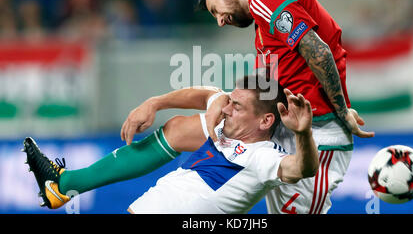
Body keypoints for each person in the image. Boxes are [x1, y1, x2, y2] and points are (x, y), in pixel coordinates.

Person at [190, 0, 375, 214]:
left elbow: (318, 51)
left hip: (318, 137)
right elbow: (271, 87)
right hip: (290, 136)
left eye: (216, 10)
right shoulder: (264, 27)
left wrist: (341, 111)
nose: (220, 21)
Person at [24, 76, 320, 213]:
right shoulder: (226, 124)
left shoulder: (262, 155)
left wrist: (304, 133)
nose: (227, 108)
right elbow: (210, 95)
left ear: (266, 121)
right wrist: (155, 103)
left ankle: (63, 186)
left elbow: (300, 169)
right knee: (178, 127)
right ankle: (63, 185)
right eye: (230, 101)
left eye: (237, 106)